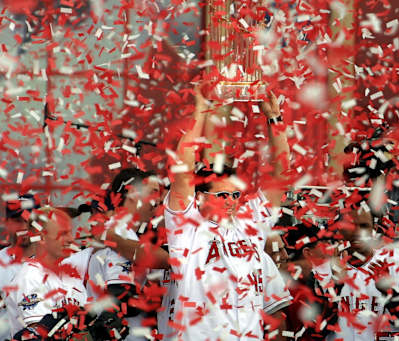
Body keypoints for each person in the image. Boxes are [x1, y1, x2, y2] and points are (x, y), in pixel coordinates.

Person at [163, 86, 292, 340]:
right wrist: (200, 109)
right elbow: (182, 167)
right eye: (222, 195)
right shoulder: (186, 226)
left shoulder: (249, 222)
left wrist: (274, 119)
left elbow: (282, 175)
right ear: (200, 197)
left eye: (235, 195)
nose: (231, 202)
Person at [3, 206, 125, 340]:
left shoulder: (69, 274)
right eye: (63, 234)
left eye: (70, 233)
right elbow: (38, 336)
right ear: (42, 238)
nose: (71, 239)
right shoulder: (30, 277)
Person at [87, 167, 168, 341]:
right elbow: (121, 297)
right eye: (153, 192)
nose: (159, 200)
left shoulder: (118, 231)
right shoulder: (120, 232)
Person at [328, 204, 399, 340]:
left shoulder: (395, 262)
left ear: (373, 230)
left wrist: (390, 294)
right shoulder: (326, 266)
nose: (358, 232)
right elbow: (316, 326)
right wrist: (335, 286)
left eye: (364, 226)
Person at [281, 222, 337, 340]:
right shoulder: (294, 290)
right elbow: (317, 329)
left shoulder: (307, 281)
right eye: (323, 245)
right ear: (307, 252)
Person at [0, 194, 40, 340]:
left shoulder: (56, 262)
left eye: (29, 220)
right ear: (7, 222)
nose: (24, 227)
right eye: (18, 221)